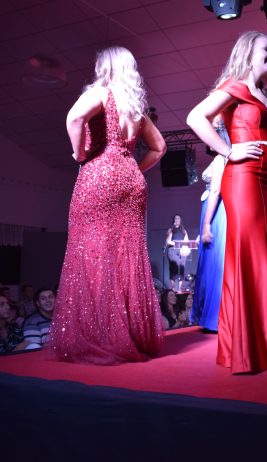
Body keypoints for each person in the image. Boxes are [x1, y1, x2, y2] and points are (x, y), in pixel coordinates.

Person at [187, 30, 267, 374]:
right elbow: (195, 118)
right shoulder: (234, 87)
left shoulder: (264, 95)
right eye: (266, 49)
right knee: (252, 257)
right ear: (248, 52)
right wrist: (228, 151)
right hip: (243, 179)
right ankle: (252, 350)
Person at [47, 46, 166, 364]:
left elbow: (74, 117)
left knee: (92, 253)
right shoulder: (136, 110)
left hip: (100, 174)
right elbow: (159, 148)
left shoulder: (101, 94)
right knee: (127, 256)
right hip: (131, 179)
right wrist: (134, 169)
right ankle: (130, 336)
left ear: (104, 67)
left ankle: (100, 337)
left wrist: (79, 154)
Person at [190, 121, 227, 332]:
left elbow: (215, 191)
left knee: (214, 265)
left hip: (215, 212)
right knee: (210, 264)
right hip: (212, 211)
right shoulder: (220, 158)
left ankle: (215, 317)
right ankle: (211, 315)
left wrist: (206, 225)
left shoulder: (221, 158)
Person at [166, 214, 190, 291]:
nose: (177, 220)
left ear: (180, 220)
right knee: (175, 266)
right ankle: (173, 289)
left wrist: (186, 248)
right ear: (173, 220)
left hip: (182, 250)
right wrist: (177, 244)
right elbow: (168, 241)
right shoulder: (171, 230)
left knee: (182, 266)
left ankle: (179, 289)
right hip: (172, 250)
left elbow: (187, 241)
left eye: (178, 218)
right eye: (175, 218)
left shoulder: (184, 230)